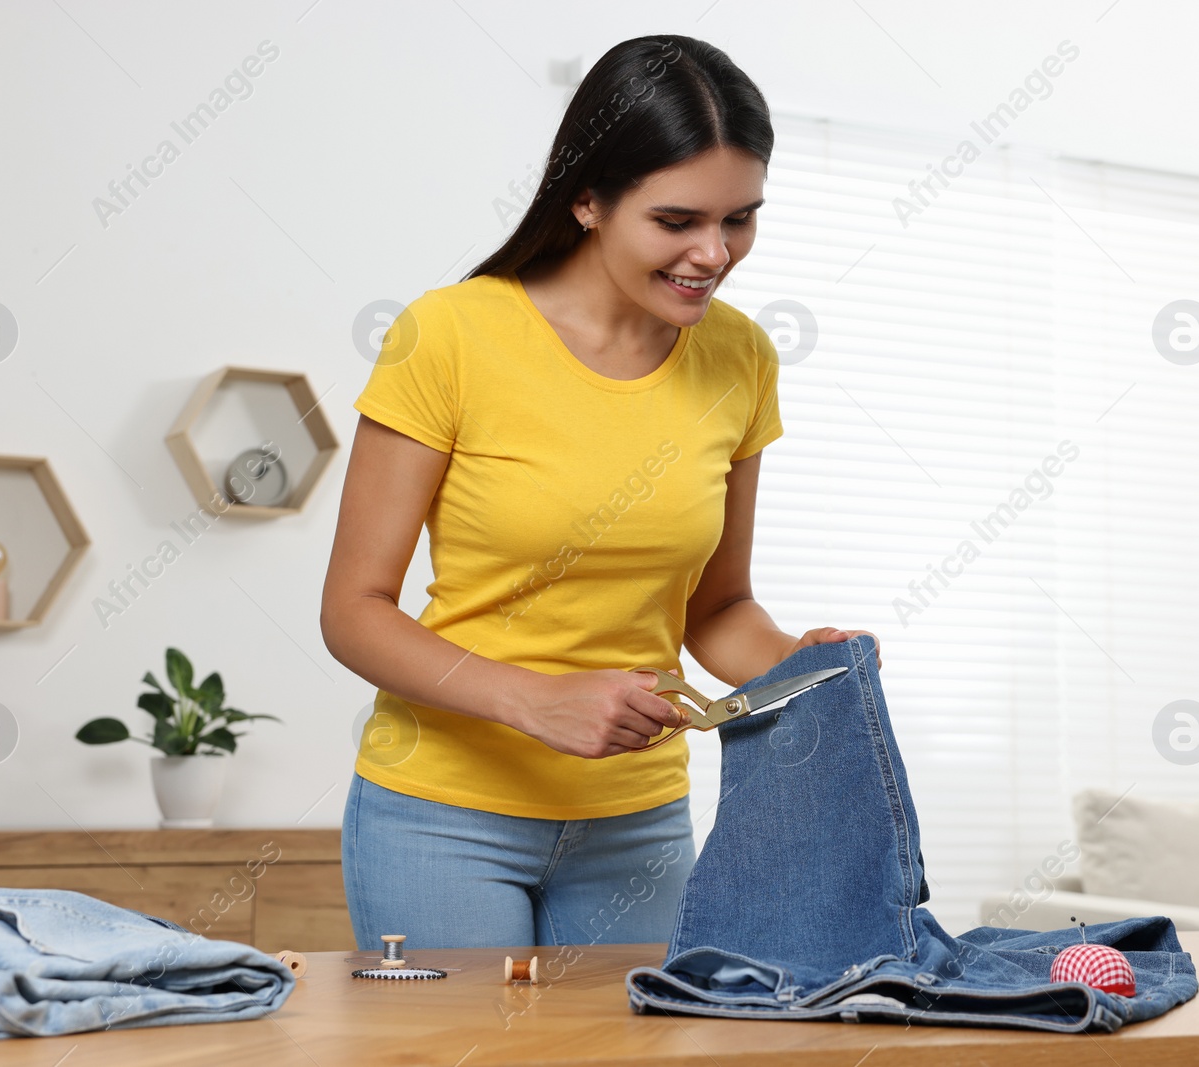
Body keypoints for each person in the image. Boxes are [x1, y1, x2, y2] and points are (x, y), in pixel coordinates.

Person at [321, 33, 880, 951]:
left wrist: (796, 662)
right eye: (677, 221)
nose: (715, 252)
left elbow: (721, 607)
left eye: (740, 218)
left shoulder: (740, 358)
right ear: (587, 199)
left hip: (638, 824)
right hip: (442, 815)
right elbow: (353, 610)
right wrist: (534, 701)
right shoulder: (450, 336)